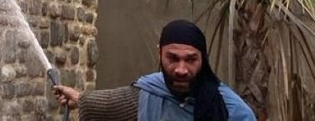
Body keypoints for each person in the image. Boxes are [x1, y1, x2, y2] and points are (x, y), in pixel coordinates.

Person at [52, 19, 255, 120]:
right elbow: (110, 103)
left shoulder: (233, 110)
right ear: (160, 54)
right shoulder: (149, 92)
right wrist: (78, 99)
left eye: (190, 59)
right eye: (172, 58)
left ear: (203, 58)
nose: (181, 69)